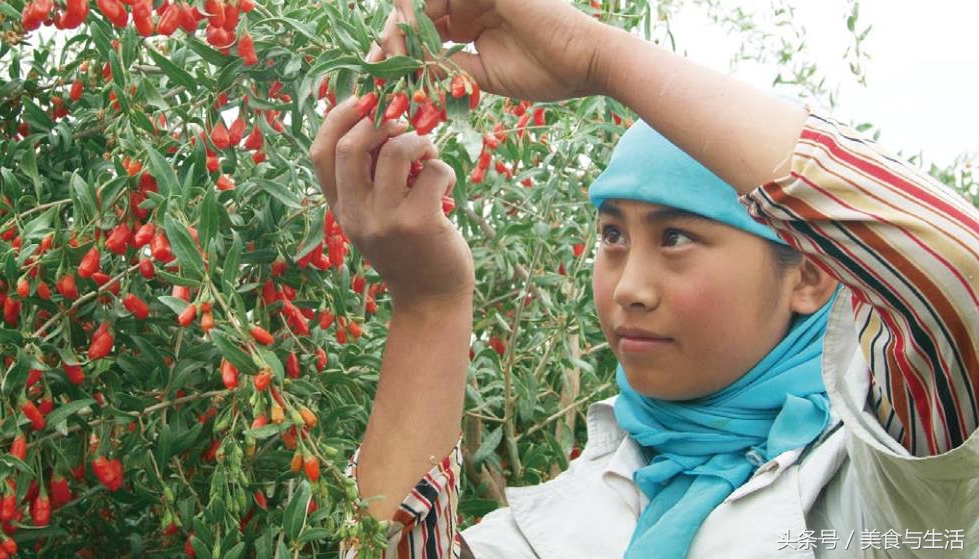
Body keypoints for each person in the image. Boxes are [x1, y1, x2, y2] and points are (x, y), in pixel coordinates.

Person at [308, 0, 979, 556]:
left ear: (808, 273)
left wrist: (600, 58)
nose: (628, 286)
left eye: (676, 237)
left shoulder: (890, 486)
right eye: (611, 236)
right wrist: (428, 302)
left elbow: (959, 272)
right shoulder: (553, 525)